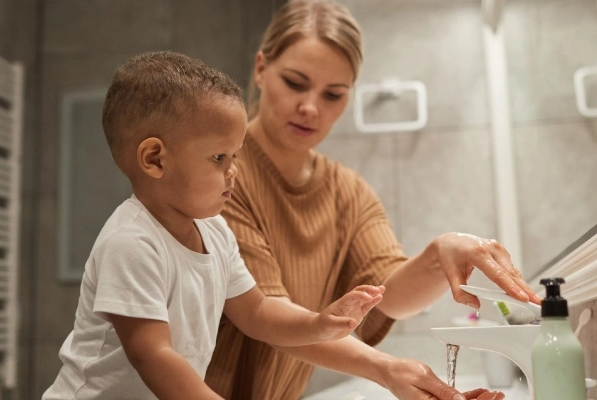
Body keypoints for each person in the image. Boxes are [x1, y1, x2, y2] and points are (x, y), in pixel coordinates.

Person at [203, 1, 541, 399]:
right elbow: (265, 315)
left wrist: (441, 253)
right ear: (261, 68)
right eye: (295, 83)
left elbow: (389, 295)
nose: (311, 107)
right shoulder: (222, 175)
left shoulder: (348, 192)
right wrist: (386, 370)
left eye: (333, 94)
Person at [41, 51, 389, 400]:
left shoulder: (216, 232)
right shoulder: (131, 243)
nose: (233, 170)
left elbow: (256, 312)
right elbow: (153, 356)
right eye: (219, 157)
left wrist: (319, 325)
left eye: (235, 155)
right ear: (155, 159)